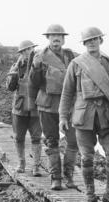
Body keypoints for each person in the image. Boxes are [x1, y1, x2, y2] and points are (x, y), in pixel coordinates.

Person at [59, 27, 109, 202]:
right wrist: (63, 117)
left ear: (101, 41)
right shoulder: (76, 64)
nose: (91, 43)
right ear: (84, 44)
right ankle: (90, 196)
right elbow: (67, 93)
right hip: (84, 115)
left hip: (106, 115)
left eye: (95, 39)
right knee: (87, 157)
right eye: (88, 40)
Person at [29, 24, 79, 189]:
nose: (56, 38)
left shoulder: (71, 55)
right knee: (52, 141)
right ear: (48, 38)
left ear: (63, 39)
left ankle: (69, 176)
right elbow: (33, 83)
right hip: (47, 105)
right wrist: (36, 68)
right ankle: (55, 178)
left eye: (59, 36)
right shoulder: (39, 56)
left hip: (69, 106)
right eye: (53, 36)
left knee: (73, 141)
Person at [6, 40, 42, 175]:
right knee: (18, 138)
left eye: (29, 49)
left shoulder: (40, 64)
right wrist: (13, 73)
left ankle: (36, 166)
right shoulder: (16, 66)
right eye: (23, 51)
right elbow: (10, 88)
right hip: (19, 108)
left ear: (33, 49)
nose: (26, 53)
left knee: (37, 138)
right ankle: (21, 163)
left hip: (36, 108)